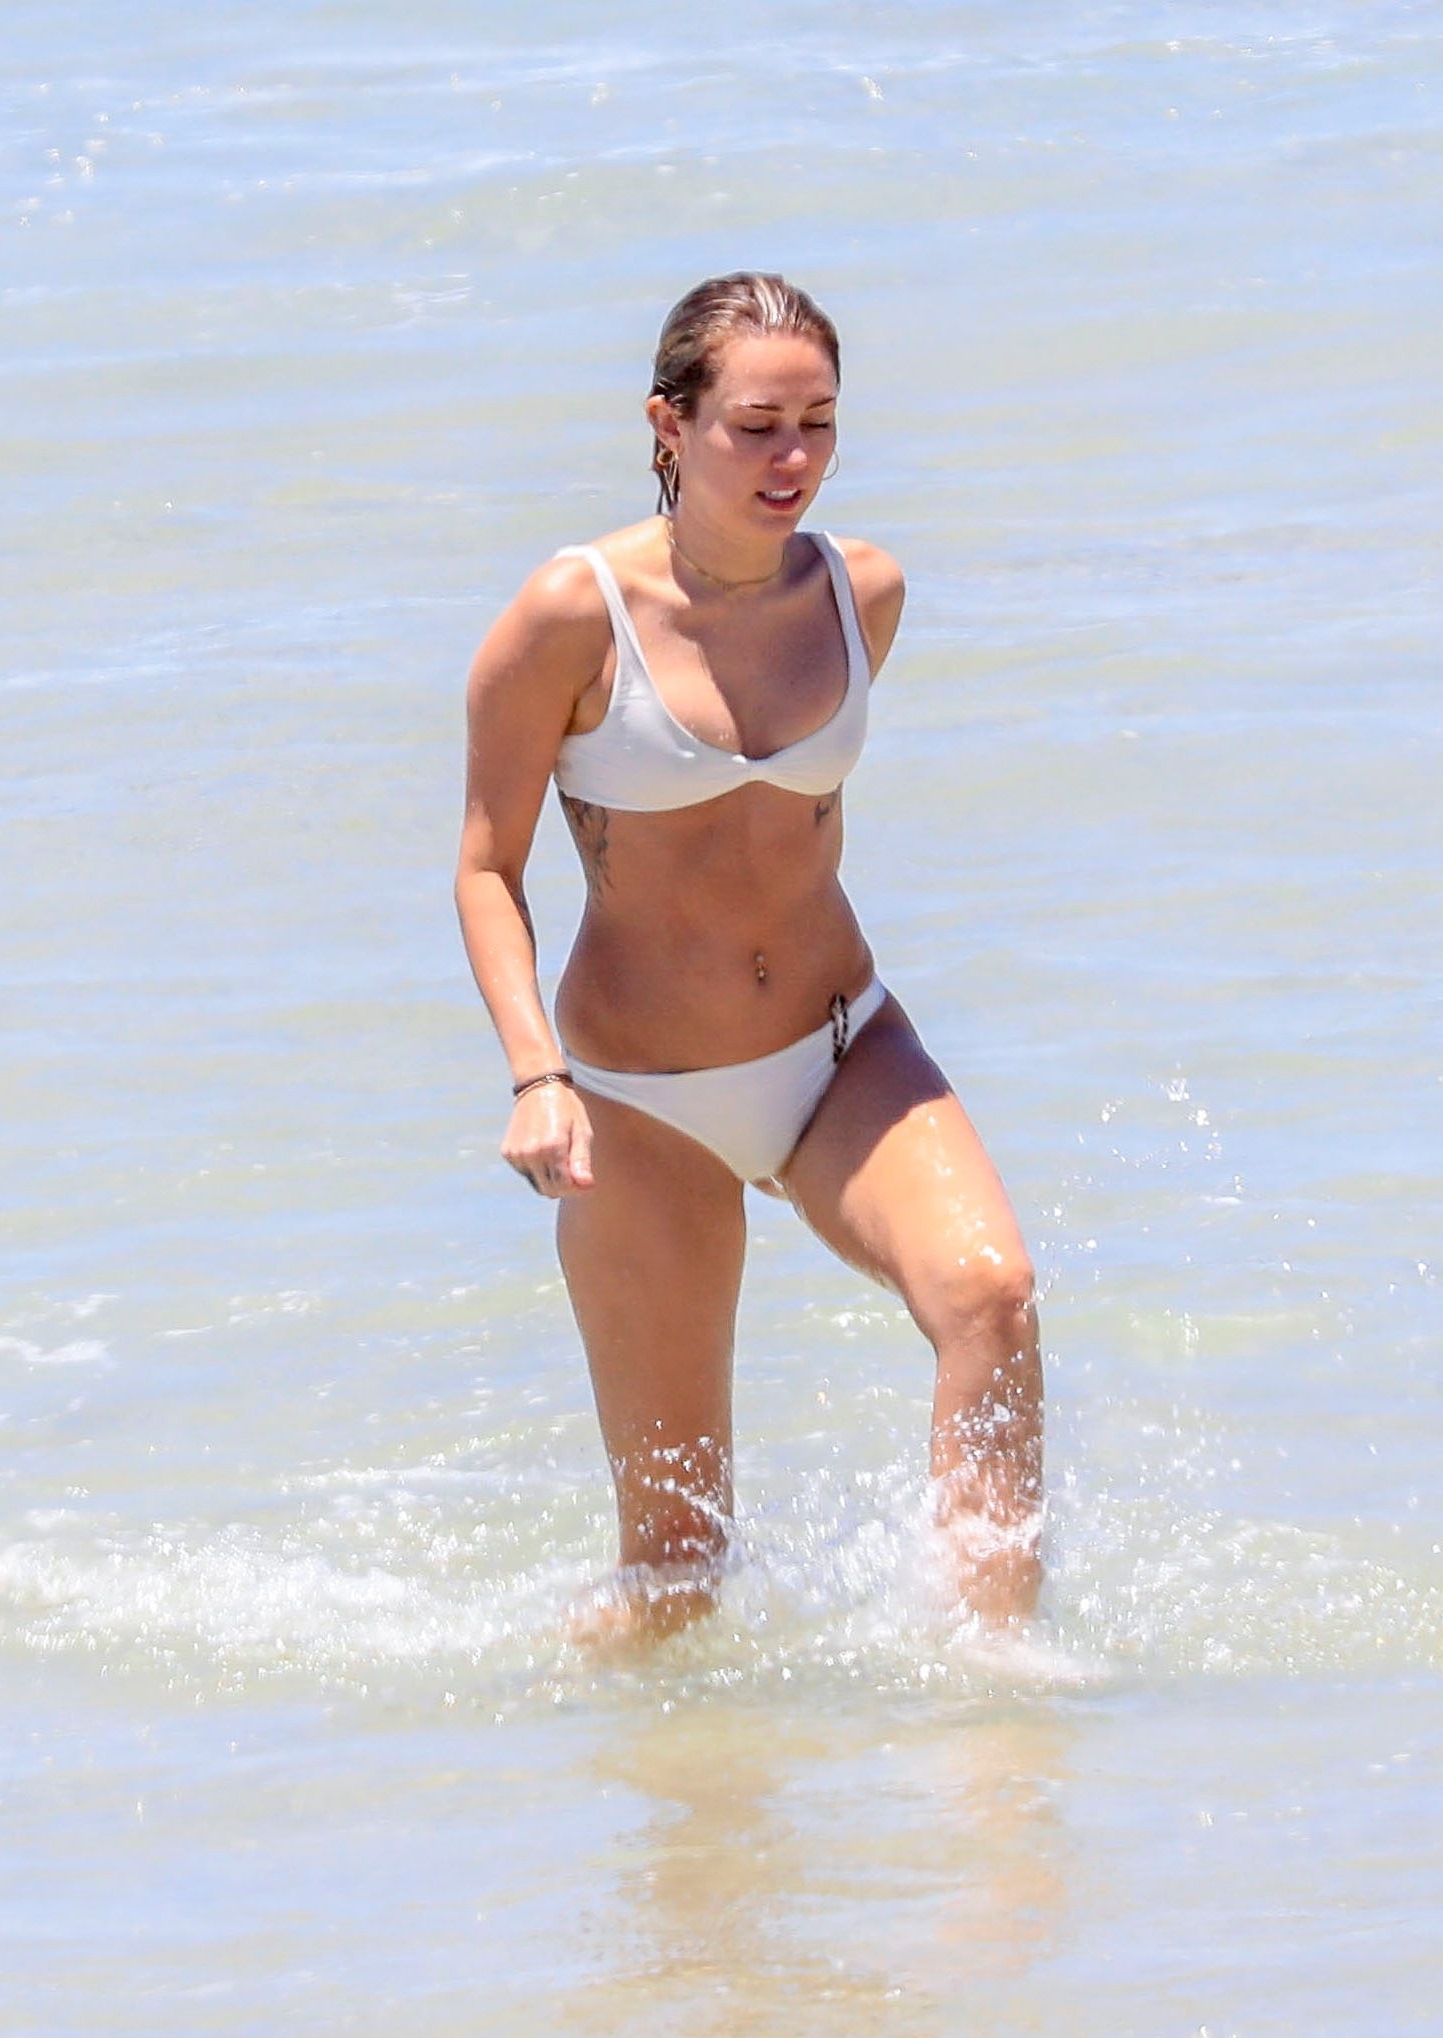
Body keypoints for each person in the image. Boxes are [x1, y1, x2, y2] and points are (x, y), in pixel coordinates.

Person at [455, 273, 1043, 1645]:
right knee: (679, 1571)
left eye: (818, 422)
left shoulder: (861, 593)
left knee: (992, 1299)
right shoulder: (571, 615)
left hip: (842, 1051)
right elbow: (487, 867)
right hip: (641, 1104)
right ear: (670, 424)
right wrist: (536, 1075)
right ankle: (543, 1734)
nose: (794, 459)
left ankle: (1000, 1696)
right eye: (758, 427)